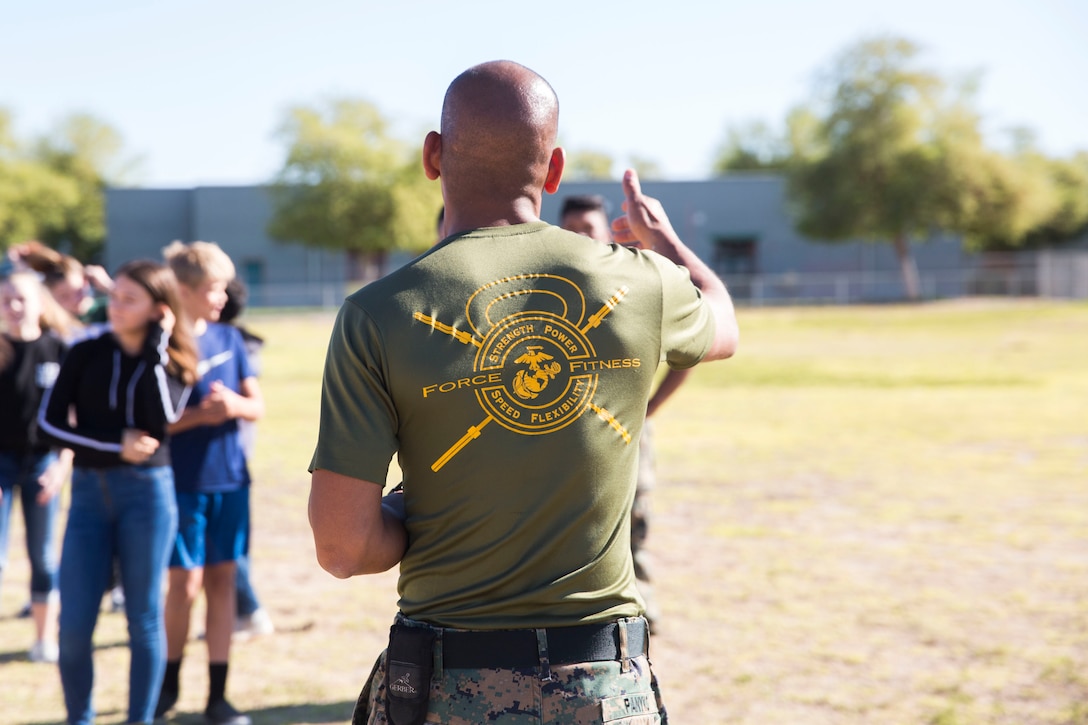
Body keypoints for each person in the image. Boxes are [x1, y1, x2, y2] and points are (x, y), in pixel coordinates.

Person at [308, 60, 738, 724]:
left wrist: (409, 515)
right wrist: (666, 243)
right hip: (603, 681)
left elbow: (342, 547)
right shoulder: (643, 282)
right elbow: (724, 325)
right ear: (555, 169)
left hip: (445, 683)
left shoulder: (377, 313)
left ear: (432, 156)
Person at [38, 259, 198, 725]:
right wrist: (115, 444)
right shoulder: (85, 350)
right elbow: (49, 423)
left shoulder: (173, 359)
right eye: (115, 295)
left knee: (144, 620)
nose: (116, 306)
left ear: (159, 310)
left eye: (130, 299)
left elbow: (165, 419)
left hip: (148, 496)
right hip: (87, 496)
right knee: (73, 627)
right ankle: (79, 718)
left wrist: (155, 347)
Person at [559, 193, 692, 632]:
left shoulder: (631, 288)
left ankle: (643, 612)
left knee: (633, 523)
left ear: (607, 233)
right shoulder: (552, 290)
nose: (581, 238)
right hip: (570, 439)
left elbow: (688, 353)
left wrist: (647, 410)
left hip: (628, 432)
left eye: (590, 229)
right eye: (572, 229)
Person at [157, 241, 264, 725]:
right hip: (180, 481)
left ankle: (217, 697)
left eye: (223, 287)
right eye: (212, 288)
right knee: (184, 584)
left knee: (223, 582)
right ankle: (168, 685)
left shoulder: (230, 339)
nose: (222, 297)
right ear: (183, 290)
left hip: (231, 480)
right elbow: (152, 422)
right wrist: (201, 414)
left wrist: (233, 408)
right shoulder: (164, 344)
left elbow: (254, 404)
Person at [0, 270, 76, 663]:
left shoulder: (58, 349)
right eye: (5, 300)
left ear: (38, 303)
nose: (12, 308)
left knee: (43, 556)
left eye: (20, 299)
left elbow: (74, 418)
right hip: (1, 464)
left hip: (43, 463)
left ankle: (44, 639)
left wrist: (62, 466)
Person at [218, 277, 274, 638]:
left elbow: (253, 404)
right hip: (229, 456)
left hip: (228, 457)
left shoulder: (232, 344)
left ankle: (249, 609)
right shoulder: (239, 340)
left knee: (229, 546)